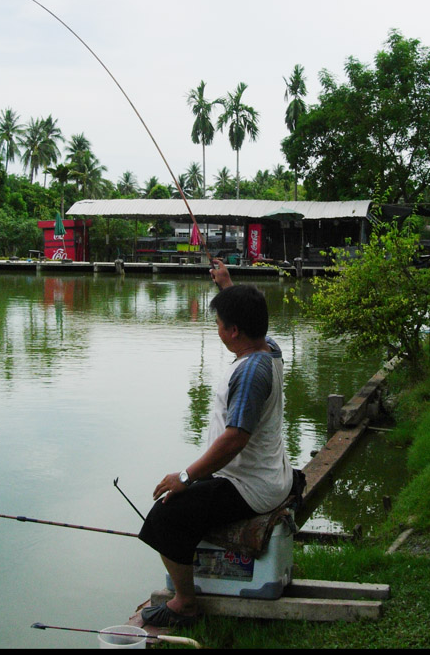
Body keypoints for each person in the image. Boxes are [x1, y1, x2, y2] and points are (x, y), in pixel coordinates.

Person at [138, 259, 293, 627]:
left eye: (221, 325)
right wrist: (228, 286)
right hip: (266, 475)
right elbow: (246, 319)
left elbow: (235, 439)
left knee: (165, 517)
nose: (218, 330)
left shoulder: (251, 371)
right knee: (181, 505)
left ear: (234, 330)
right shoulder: (267, 348)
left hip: (250, 486)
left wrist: (186, 477)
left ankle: (185, 604)